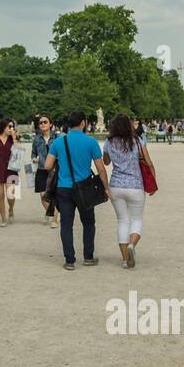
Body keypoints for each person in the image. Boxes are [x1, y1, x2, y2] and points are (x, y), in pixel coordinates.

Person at [43, 112, 110, 270]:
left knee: (66, 224)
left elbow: (47, 165)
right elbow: (101, 169)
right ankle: (88, 256)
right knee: (88, 223)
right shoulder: (90, 141)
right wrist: (106, 187)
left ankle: (69, 260)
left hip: (63, 187)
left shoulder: (59, 142)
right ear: (83, 123)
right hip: (84, 187)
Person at [102, 114, 153, 269]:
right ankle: (132, 245)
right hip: (135, 185)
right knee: (136, 219)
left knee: (122, 221)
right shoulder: (137, 141)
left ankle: (125, 259)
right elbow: (148, 162)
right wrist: (153, 182)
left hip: (116, 185)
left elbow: (106, 162)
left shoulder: (109, 142)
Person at [32, 114, 57, 226]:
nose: (42, 124)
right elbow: (33, 153)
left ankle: (54, 219)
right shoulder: (37, 139)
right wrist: (34, 158)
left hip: (55, 169)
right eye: (40, 122)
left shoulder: (57, 138)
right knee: (43, 196)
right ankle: (51, 212)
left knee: (54, 195)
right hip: (41, 169)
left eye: (45, 122)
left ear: (50, 124)